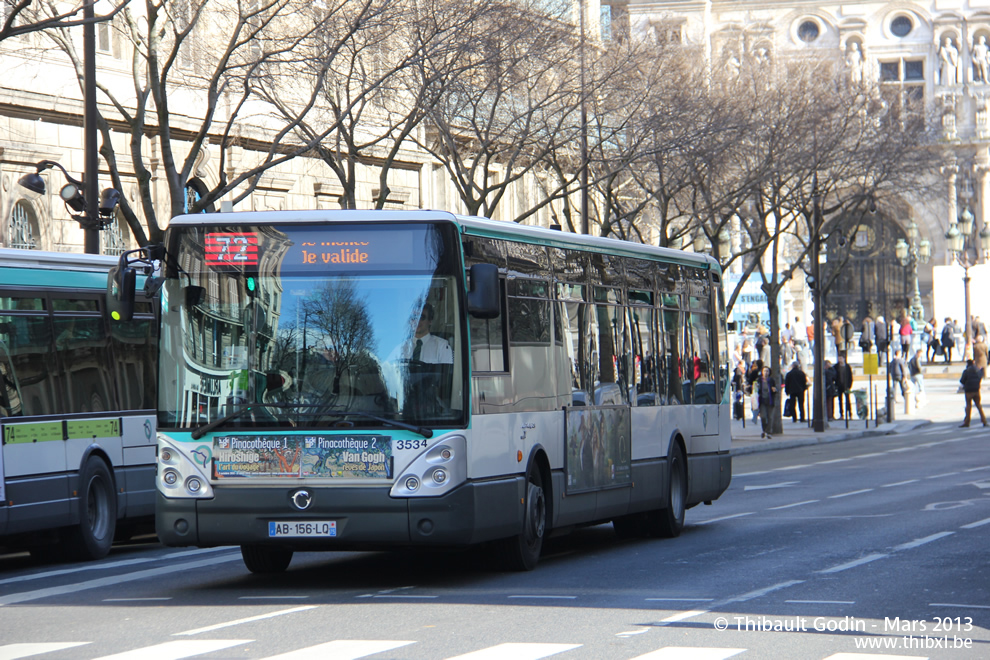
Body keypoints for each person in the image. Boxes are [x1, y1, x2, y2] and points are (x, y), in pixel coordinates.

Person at [959, 359, 988, 427]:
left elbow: (962, 381)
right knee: (979, 406)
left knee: (968, 406)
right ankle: (984, 421)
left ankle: (967, 422)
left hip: (968, 391)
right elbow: (981, 376)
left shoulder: (966, 371)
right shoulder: (978, 370)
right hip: (976, 390)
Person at [757, 366, 778, 439]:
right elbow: (755, 390)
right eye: (764, 371)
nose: (766, 373)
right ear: (762, 372)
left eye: (767, 371)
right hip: (762, 401)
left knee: (770, 417)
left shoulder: (771, 380)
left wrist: (774, 390)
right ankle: (764, 430)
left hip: (770, 401)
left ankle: (768, 432)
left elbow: (775, 389)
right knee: (763, 417)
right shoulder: (759, 380)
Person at [835, 354, 854, 420]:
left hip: (846, 386)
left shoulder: (847, 367)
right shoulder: (836, 366)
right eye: (838, 358)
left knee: (848, 400)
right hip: (839, 386)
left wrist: (849, 385)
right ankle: (841, 414)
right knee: (840, 400)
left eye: (841, 358)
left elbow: (850, 377)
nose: (839, 360)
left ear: (844, 359)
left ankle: (850, 414)